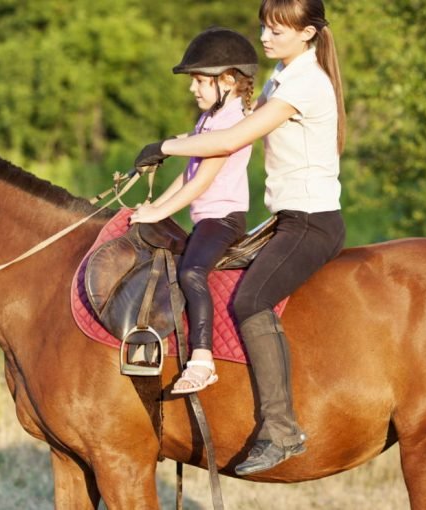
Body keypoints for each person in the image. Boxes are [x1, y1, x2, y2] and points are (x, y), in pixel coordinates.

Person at [134, 0, 346, 476]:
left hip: (311, 222)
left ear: (308, 33)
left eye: (277, 30)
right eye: (264, 28)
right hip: (285, 218)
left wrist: (165, 146)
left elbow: (231, 141)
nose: (265, 38)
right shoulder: (280, 78)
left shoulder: (306, 84)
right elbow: (225, 131)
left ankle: (282, 431)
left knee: (250, 300)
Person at [130, 27, 258, 395]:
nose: (192, 88)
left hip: (224, 220)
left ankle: (203, 361)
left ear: (228, 80)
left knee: (192, 272)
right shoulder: (210, 119)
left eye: (200, 81)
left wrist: (159, 214)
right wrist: (155, 205)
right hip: (207, 219)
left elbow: (201, 183)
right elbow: (188, 175)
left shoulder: (231, 122)